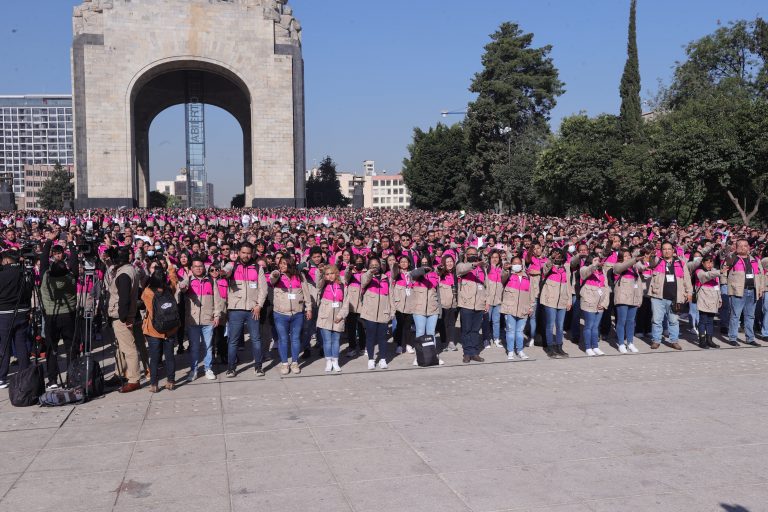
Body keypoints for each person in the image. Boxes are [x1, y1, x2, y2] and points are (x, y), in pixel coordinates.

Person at [39, 231, 79, 389]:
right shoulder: (71, 278)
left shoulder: (45, 277)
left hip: (52, 316)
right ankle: (72, 377)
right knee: (71, 347)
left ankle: (53, 380)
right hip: (69, 315)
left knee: (52, 349)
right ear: (66, 270)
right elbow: (74, 263)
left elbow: (43, 261)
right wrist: (71, 244)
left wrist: (49, 241)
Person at [223, 242, 267, 377]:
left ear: (252, 253)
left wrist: (259, 305)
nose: (246, 255)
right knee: (233, 340)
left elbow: (263, 289)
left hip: (253, 309)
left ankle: (258, 367)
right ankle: (231, 368)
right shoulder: (232, 265)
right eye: (243, 252)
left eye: (248, 253)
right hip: (236, 309)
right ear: (238, 253)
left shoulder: (257, 268)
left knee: (256, 339)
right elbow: (226, 271)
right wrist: (225, 273)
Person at [178, 256, 225, 382]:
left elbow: (217, 300)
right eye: (195, 266)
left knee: (208, 346)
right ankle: (194, 370)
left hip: (208, 319)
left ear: (204, 267)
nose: (198, 268)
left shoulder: (210, 281)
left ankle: (208, 368)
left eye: (200, 266)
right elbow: (182, 287)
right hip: (192, 320)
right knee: (194, 347)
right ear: (191, 268)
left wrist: (217, 315)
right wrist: (184, 282)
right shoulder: (188, 281)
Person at [105, 246, 142, 393]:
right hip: (123, 315)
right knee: (121, 347)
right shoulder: (127, 269)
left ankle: (134, 379)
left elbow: (124, 298)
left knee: (129, 349)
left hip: (122, 317)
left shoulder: (124, 274)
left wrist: (123, 317)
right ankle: (119, 372)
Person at [269, 254, 311, 375]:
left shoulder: (300, 276)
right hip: (280, 314)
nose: (282, 265)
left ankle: (295, 362)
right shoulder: (278, 275)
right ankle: (284, 363)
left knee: (295, 338)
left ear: (290, 263)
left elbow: (306, 293)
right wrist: (275, 274)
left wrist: (308, 308)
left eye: (284, 263)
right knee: (283, 339)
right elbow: (272, 279)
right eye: (280, 263)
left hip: (297, 314)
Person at [647, 241, 692, 350]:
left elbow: (687, 279)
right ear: (661, 251)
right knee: (656, 320)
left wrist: (689, 293)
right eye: (664, 249)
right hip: (658, 296)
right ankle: (656, 340)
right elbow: (651, 262)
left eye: (669, 249)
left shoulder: (680, 263)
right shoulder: (657, 261)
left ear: (673, 250)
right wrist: (652, 254)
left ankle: (674, 341)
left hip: (675, 297)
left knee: (674, 321)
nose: (666, 251)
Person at [141, 268, 178, 392]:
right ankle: (171, 382)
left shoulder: (148, 292)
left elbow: (143, 299)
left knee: (155, 358)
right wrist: (170, 267)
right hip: (170, 328)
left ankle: (154, 384)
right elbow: (174, 280)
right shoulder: (170, 289)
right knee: (170, 356)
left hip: (154, 329)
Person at [725, 239, 763, 347]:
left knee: (750, 316)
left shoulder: (755, 260)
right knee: (735, 315)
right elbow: (726, 258)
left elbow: (760, 276)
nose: (743, 247)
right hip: (738, 291)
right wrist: (733, 250)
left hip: (753, 290)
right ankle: (732, 338)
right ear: (736, 247)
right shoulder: (733, 258)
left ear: (749, 247)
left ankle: (750, 338)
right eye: (740, 246)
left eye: (745, 245)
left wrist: (760, 289)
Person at [612, 247, 647, 353]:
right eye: (625, 256)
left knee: (631, 322)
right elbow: (622, 267)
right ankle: (621, 343)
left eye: (628, 255)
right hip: (622, 298)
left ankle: (630, 343)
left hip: (633, 298)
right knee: (621, 321)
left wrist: (639, 299)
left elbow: (639, 285)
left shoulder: (634, 268)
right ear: (621, 257)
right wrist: (634, 259)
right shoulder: (617, 266)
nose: (627, 257)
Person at [360, 257, 393, 369]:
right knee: (370, 337)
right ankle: (371, 359)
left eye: (376, 264)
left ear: (380, 265)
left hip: (383, 312)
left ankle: (383, 359)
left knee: (382, 337)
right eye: (372, 265)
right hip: (370, 313)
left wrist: (392, 311)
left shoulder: (386, 278)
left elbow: (391, 296)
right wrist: (370, 272)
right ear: (368, 266)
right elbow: (363, 282)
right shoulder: (366, 276)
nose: (374, 266)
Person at [539, 249, 573, 358]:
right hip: (550, 300)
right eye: (555, 255)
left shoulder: (566, 268)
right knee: (550, 325)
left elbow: (568, 285)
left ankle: (559, 347)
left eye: (559, 255)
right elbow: (545, 270)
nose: (557, 257)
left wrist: (569, 300)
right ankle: (549, 347)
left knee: (560, 325)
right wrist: (551, 259)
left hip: (562, 301)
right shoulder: (548, 266)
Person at [456, 246, 487, 363]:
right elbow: (461, 269)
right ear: (466, 255)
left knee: (475, 330)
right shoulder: (461, 266)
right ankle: (467, 353)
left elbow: (487, 286)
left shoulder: (482, 269)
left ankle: (474, 352)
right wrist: (474, 264)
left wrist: (487, 302)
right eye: (470, 254)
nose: (472, 256)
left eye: (474, 254)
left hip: (479, 304)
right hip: (466, 304)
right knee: (466, 330)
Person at [315, 264, 349, 373]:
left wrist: (341, 315)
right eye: (327, 274)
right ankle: (328, 361)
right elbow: (318, 283)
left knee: (336, 340)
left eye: (332, 273)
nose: (330, 276)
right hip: (325, 316)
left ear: (336, 273)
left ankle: (335, 361)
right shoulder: (323, 284)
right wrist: (321, 273)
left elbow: (346, 303)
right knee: (327, 341)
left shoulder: (342, 285)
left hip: (338, 316)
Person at [500, 256, 534, 360]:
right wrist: (505, 269)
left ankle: (520, 350)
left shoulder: (527, 277)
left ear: (522, 265)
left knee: (520, 332)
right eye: (514, 263)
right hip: (510, 308)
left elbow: (531, 294)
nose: (516, 265)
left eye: (518, 263)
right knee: (510, 331)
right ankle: (510, 351)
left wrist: (531, 307)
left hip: (523, 309)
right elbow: (503, 276)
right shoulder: (508, 275)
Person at [579, 255, 610, 356]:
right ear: (590, 261)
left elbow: (606, 287)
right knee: (589, 325)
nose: (597, 261)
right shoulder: (584, 268)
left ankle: (595, 346)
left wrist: (604, 303)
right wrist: (594, 265)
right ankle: (588, 347)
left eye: (598, 260)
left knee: (596, 326)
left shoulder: (602, 271)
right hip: (588, 302)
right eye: (595, 260)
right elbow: (585, 274)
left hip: (600, 303)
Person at [693, 255, 721, 349]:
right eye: (707, 262)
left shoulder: (715, 272)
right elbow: (706, 276)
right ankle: (702, 340)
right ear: (703, 263)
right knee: (703, 320)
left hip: (713, 299)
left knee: (710, 321)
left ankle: (709, 340)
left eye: (711, 262)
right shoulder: (699, 271)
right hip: (703, 299)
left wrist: (719, 299)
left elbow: (717, 287)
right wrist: (719, 272)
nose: (710, 264)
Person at [437, 254, 460, 351]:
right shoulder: (441, 274)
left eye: (451, 261)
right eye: (447, 262)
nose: (450, 264)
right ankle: (444, 342)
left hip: (454, 302)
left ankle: (451, 342)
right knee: (443, 323)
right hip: (443, 303)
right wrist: (440, 268)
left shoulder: (455, 273)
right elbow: (437, 271)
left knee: (452, 323)